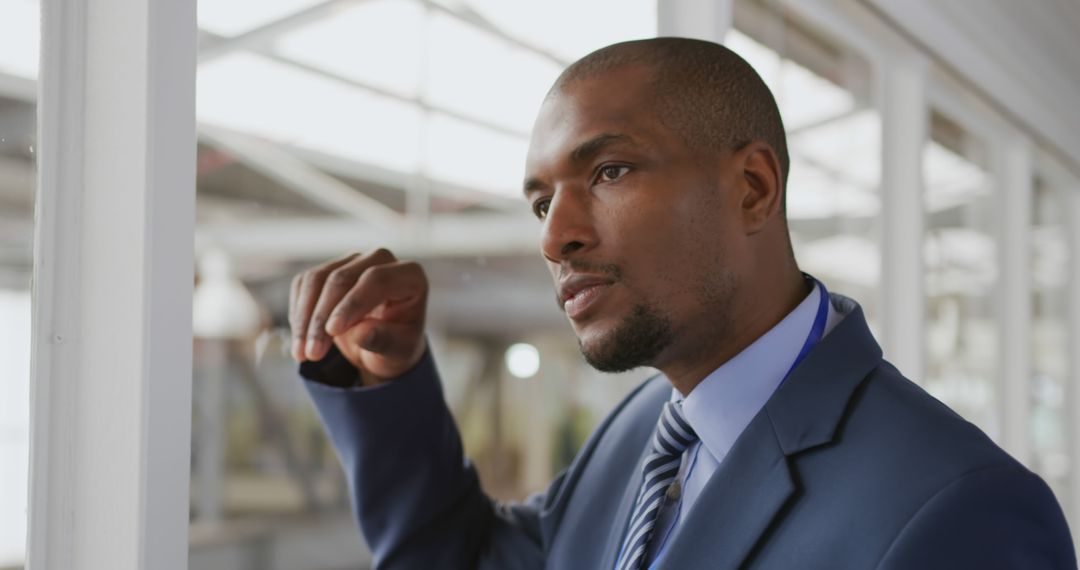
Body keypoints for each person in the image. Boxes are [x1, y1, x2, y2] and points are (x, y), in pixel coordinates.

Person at [289, 38, 1075, 569]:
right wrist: (389, 381)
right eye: (540, 204)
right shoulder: (643, 429)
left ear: (753, 188)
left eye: (609, 173)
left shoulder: (963, 511)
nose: (554, 237)